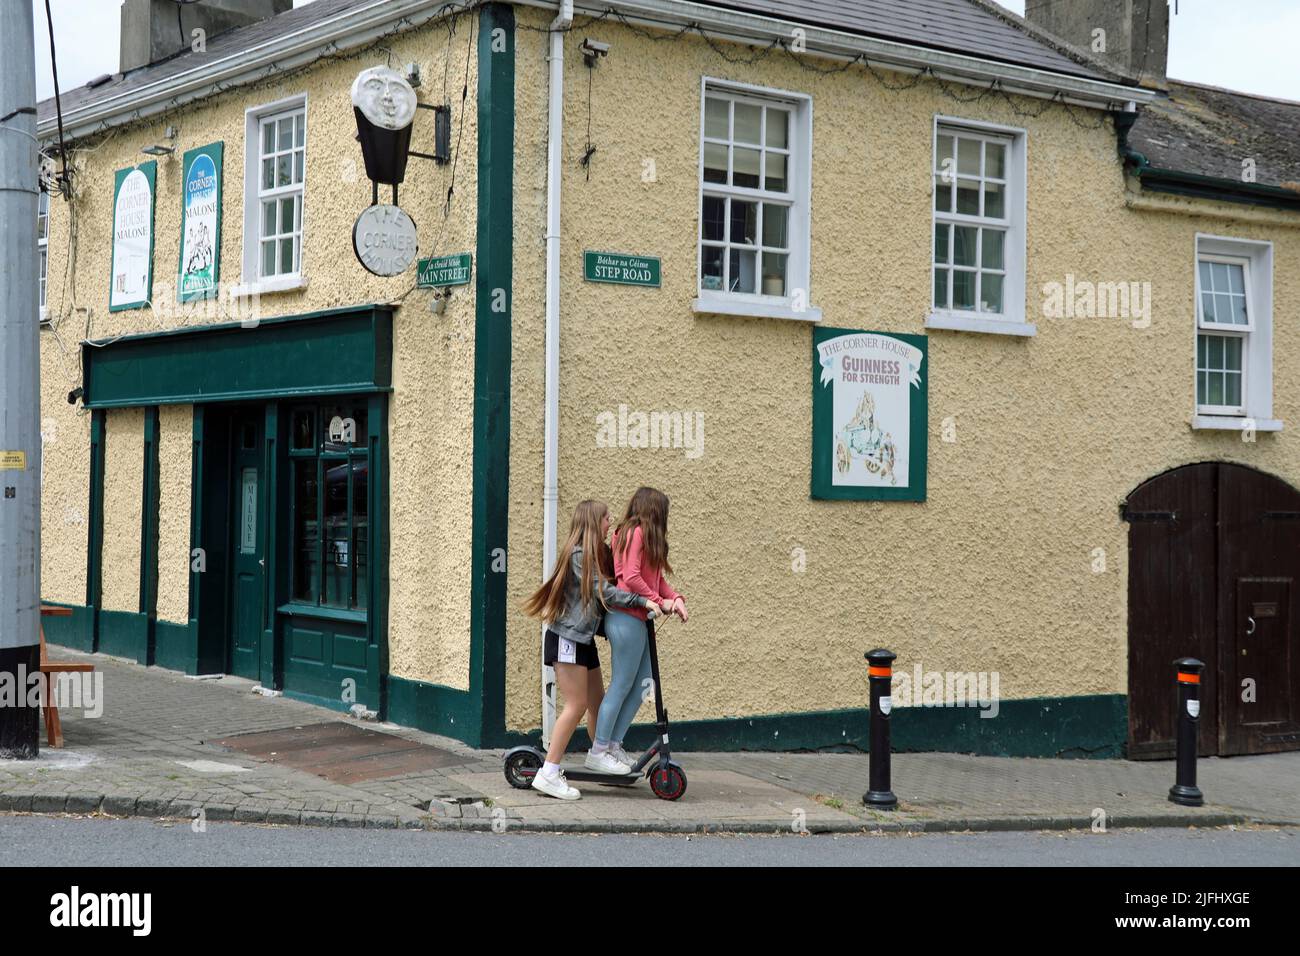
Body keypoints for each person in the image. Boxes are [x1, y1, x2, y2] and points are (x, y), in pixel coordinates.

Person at [522, 500, 671, 799]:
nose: (609, 521)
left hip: (583, 640)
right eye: (605, 518)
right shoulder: (578, 555)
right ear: (592, 522)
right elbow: (604, 591)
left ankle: (601, 755)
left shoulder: (596, 553)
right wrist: (642, 601)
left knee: (597, 703)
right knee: (575, 706)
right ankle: (548, 773)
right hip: (567, 640)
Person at [590, 487, 687, 773]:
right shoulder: (635, 532)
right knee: (621, 684)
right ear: (654, 511)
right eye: (663, 513)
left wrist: (676, 598)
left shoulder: (645, 536)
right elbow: (630, 577)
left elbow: (657, 581)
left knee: (644, 684)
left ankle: (613, 745)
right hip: (625, 618)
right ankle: (598, 750)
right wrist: (660, 601)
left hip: (639, 619)